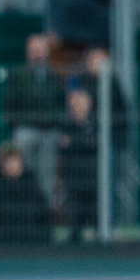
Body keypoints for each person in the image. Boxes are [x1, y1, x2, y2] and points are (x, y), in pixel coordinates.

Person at [3, 33, 65, 197]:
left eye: (40, 50)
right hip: (26, 130)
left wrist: (54, 122)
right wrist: (20, 122)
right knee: (23, 170)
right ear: (28, 52)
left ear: (46, 52)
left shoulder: (55, 76)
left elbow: (61, 103)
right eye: (34, 50)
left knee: (47, 175)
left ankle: (44, 209)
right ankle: (23, 204)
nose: (37, 54)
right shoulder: (18, 75)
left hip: (49, 131)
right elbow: (10, 105)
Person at [0, 143, 54, 243]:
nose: (12, 165)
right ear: (1, 165)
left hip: (30, 246)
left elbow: (45, 222)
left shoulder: (34, 189)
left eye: (15, 161)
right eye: (8, 161)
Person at [55, 88, 100, 243]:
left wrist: (74, 142)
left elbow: (94, 144)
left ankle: (96, 235)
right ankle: (75, 235)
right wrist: (83, 142)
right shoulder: (65, 123)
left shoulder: (95, 123)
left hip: (92, 174)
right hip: (73, 174)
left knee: (94, 207)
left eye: (81, 102)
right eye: (75, 103)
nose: (78, 106)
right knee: (74, 207)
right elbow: (63, 144)